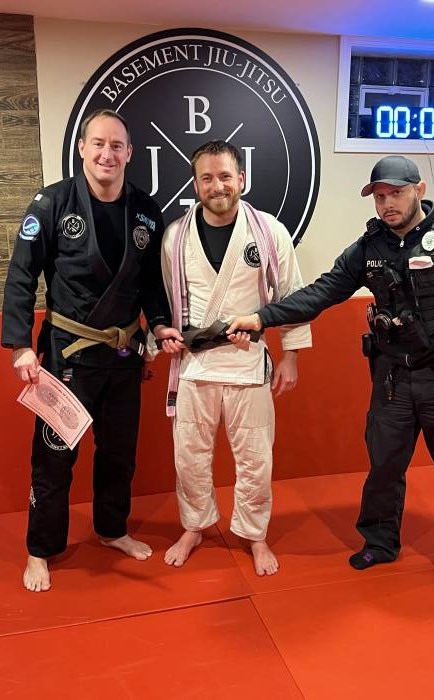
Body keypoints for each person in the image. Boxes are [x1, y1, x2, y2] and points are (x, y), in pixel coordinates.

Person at [228, 155, 434, 591]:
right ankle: (380, 541)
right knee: (384, 466)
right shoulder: (370, 248)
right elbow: (322, 292)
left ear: (419, 190)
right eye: (379, 196)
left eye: (396, 193)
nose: (387, 203)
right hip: (394, 380)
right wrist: (262, 317)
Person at [1, 109, 181, 592]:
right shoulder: (52, 203)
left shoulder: (145, 211)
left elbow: (151, 282)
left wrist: (159, 325)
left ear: (130, 153)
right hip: (68, 355)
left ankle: (112, 529)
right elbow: (21, 275)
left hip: (123, 355)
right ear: (82, 148)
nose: (107, 153)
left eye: (117, 145)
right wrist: (20, 345)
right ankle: (40, 549)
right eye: (98, 143)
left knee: (119, 452)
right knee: (54, 456)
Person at [157, 140, 311, 576]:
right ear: (195, 185)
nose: (217, 185)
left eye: (225, 176)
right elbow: (167, 302)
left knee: (256, 460)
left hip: (249, 364)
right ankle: (195, 525)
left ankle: (254, 534)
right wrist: (162, 337)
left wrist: (291, 356)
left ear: (241, 178)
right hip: (195, 366)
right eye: (206, 178)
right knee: (189, 457)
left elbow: (292, 297)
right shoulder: (175, 237)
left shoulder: (269, 232)